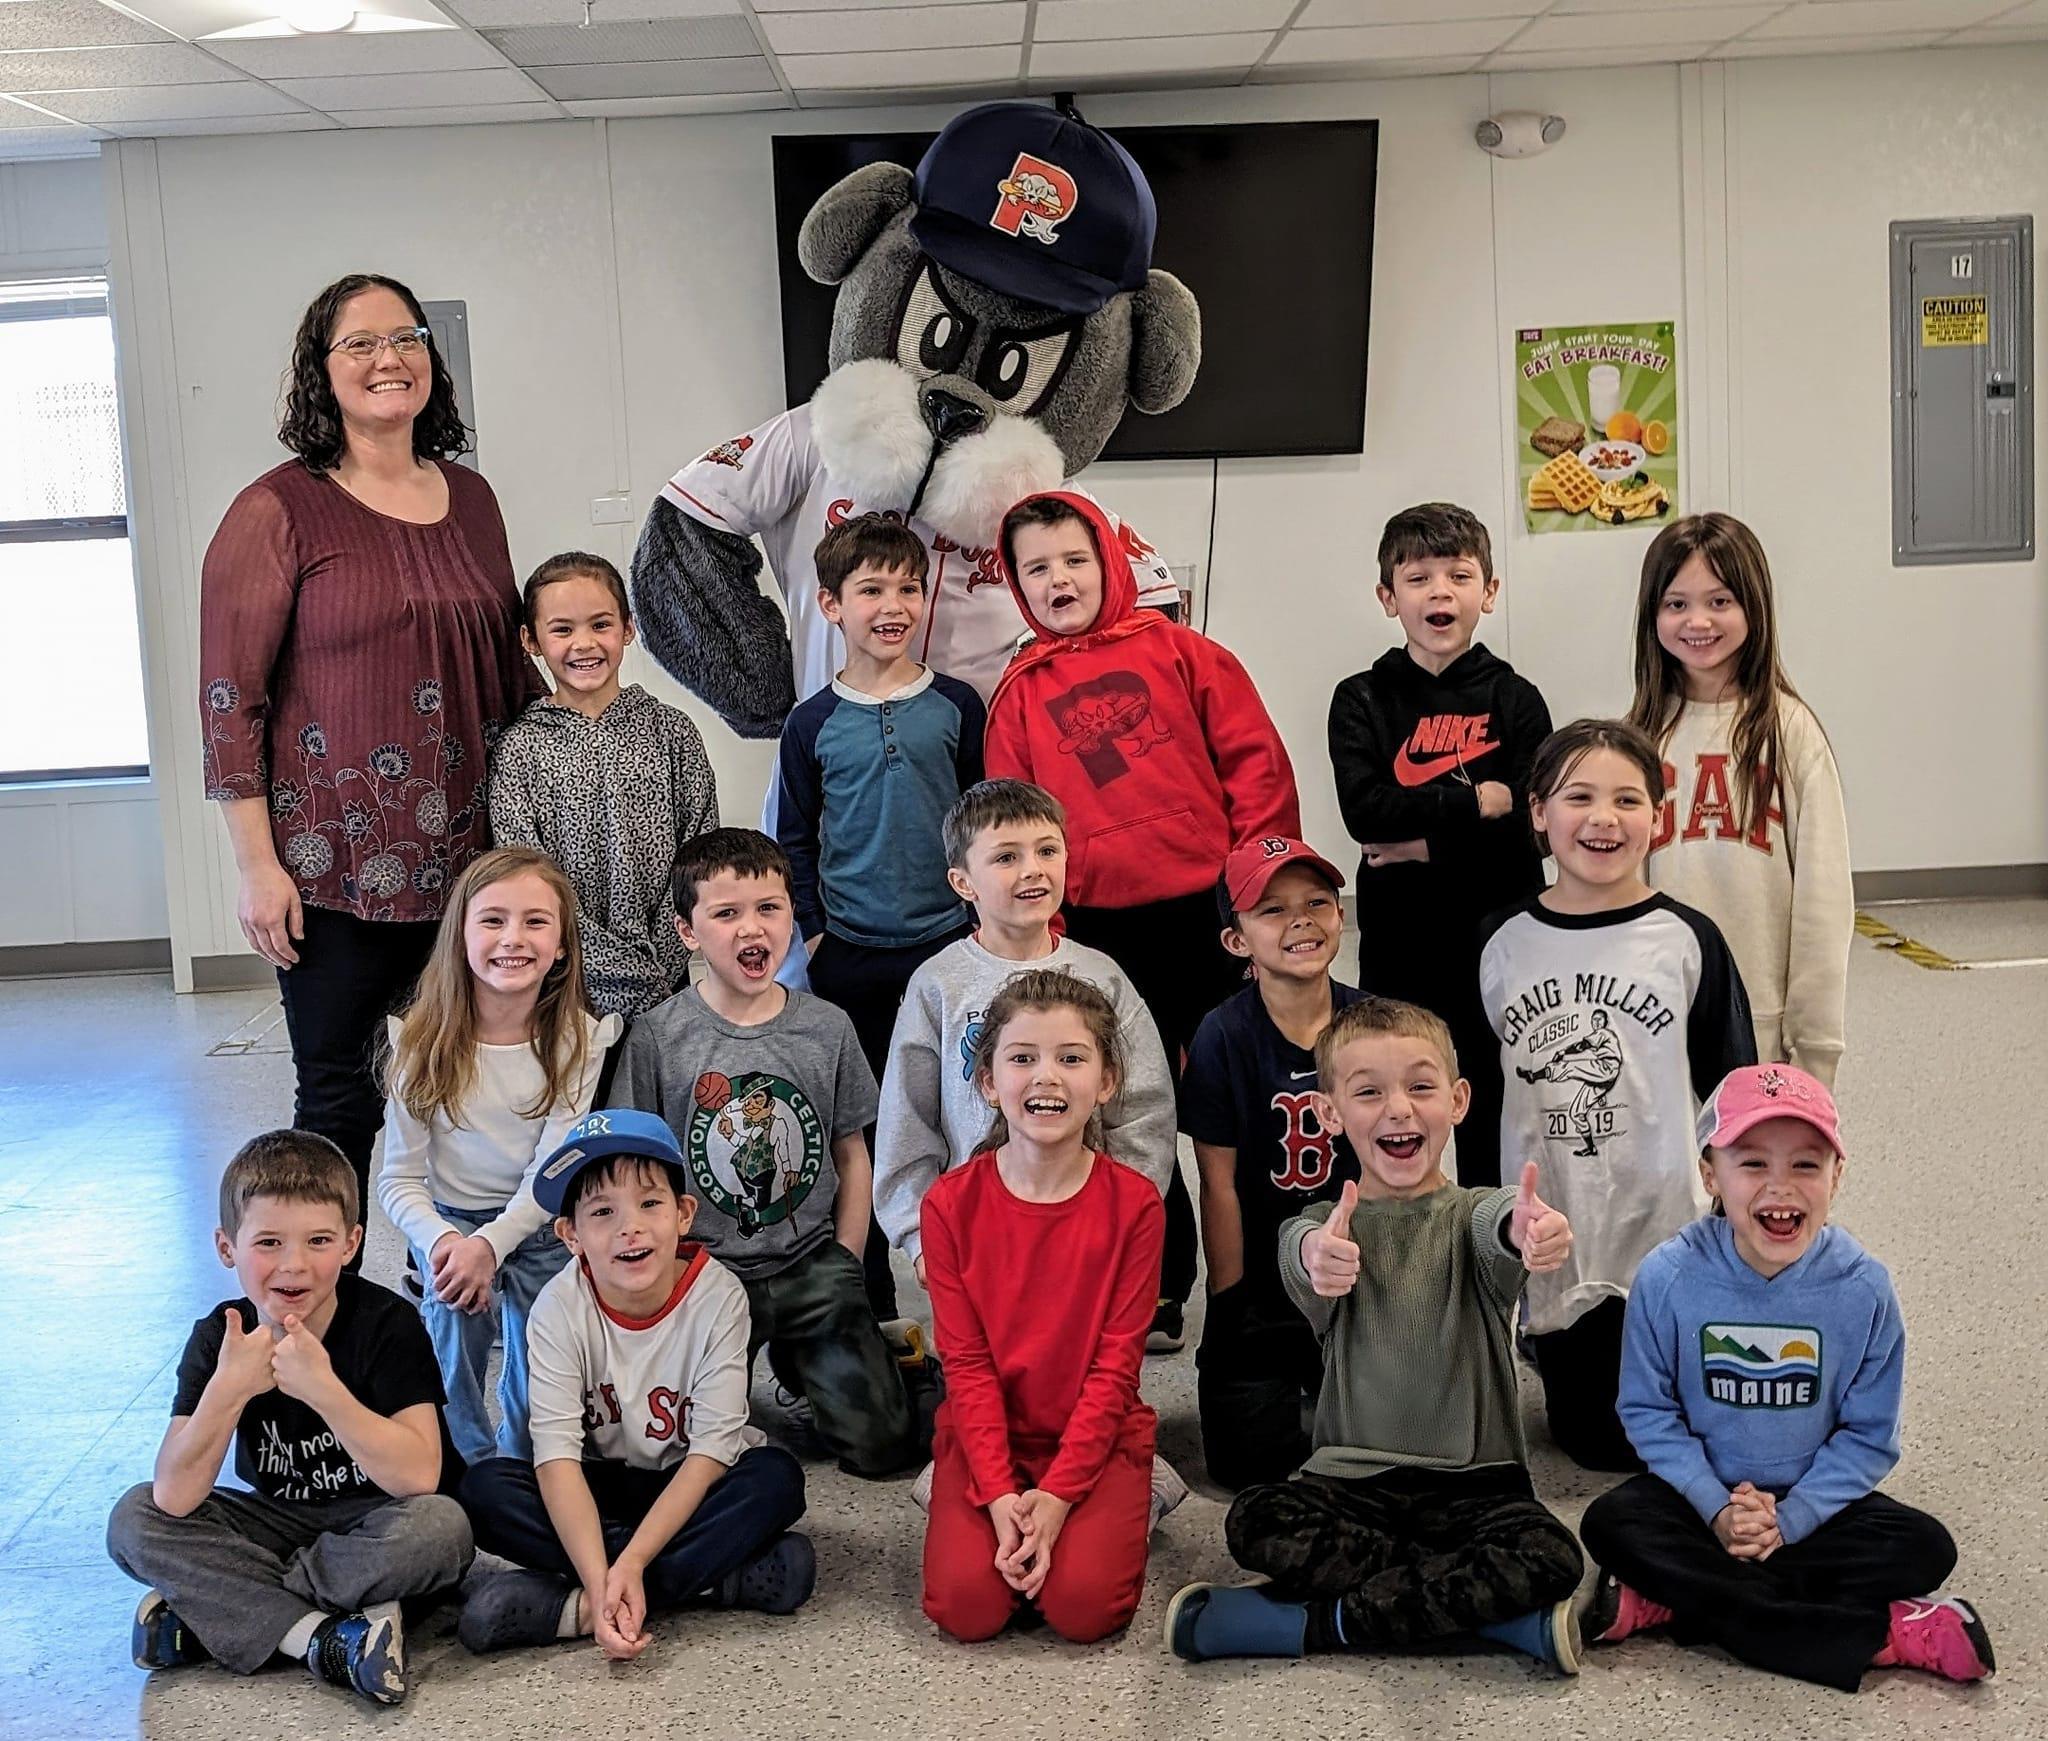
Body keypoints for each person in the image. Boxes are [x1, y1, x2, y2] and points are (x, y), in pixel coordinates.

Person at [198, 273, 540, 1242]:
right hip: (331, 873)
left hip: (470, 870)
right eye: (360, 344)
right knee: (342, 1102)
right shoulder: (276, 511)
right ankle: (326, 1323)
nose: (388, 359)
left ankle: (453, 1297)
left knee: (476, 1099)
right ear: (322, 369)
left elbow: (506, 669)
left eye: (406, 338)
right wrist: (258, 867)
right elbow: (230, 700)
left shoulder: (471, 498)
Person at [1166, 998, 1583, 1673]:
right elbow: (1302, 1248)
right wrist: (1316, 1257)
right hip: (1350, 1486)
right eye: (1368, 1091)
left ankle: (1316, 1622)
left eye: (1421, 1086)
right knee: (1254, 1519)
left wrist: (1530, 1228)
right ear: (1330, 1113)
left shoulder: (1474, 1213)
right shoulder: (1325, 1226)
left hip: (1478, 1488)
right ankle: (1483, 1616)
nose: (1398, 1108)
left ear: (1457, 1100)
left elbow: (1502, 1223)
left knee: (1552, 1554)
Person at [983, 489, 1301, 1352]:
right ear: (1014, 584)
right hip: (1098, 929)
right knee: (1121, 1109)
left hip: (1210, 913)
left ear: (1112, 563)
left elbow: (1256, 772)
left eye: (1074, 561)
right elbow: (1013, 821)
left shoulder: (1188, 655)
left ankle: (1283, 1267)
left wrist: (1260, 901)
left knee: (1247, 1092)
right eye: (1036, 568)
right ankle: (1159, 1284)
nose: (1058, 580)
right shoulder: (1016, 693)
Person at [1582, 1064, 1994, 1690]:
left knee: (1925, 1546)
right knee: (1611, 1523)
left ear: (1838, 1176)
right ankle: (1885, 1636)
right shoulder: (1667, 1277)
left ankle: (1676, 1598)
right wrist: (1718, 1509)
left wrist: (1790, 1520)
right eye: (1751, 1164)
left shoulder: (1864, 1289)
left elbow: (1868, 1436)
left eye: (1805, 1165)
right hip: (1699, 1502)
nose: (1781, 1187)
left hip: (1812, 1511)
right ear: (1709, 1174)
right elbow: (1647, 1412)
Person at [107, 1131, 472, 1706]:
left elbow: (420, 1477)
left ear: (352, 1244)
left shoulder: (387, 1324)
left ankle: (223, 1608)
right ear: (227, 1247)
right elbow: (175, 1495)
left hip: (381, 1518)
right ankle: (322, 1636)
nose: (293, 1265)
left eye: (318, 1240)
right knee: (133, 1517)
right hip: (277, 1519)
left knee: (443, 1529)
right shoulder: (218, 1336)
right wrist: (228, 1389)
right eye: (268, 1242)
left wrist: (326, 1391)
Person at [1478, 718, 1756, 1472]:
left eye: (1627, 799)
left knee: (1668, 1439)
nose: (1604, 818)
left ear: (1657, 817)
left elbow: (1735, 1087)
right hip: (1555, 1225)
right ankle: (1552, 1342)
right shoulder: (1501, 941)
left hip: (1661, 1220)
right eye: (1580, 797)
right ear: (1539, 813)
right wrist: (1489, 1219)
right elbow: (1475, 1098)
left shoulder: (1687, 937)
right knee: (1595, 1444)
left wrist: (1735, 1205)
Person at [610, 828, 924, 1477]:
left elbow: (850, 1153)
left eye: (768, 907)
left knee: (884, 1448)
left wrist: (846, 1254)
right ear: (687, 931)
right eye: (726, 913)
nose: (750, 927)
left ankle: (807, 1361)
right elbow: (635, 1172)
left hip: (812, 1264)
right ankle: (753, 1366)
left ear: (790, 912)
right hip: (702, 1272)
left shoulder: (826, 1026)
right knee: (662, 1453)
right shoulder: (659, 1036)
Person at [457, 1109, 814, 1656]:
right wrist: (608, 1575)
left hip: (691, 1482)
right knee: (484, 1491)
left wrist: (631, 1564)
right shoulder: (556, 1308)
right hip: (599, 1484)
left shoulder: (718, 1299)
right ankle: (713, 1579)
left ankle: (571, 1609)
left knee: (776, 1479)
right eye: (602, 1211)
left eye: (650, 1203)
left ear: (683, 1214)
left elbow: (712, 1453)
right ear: (570, 1235)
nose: (631, 1226)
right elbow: (555, 1458)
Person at [776, 514, 985, 1317]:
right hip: (851, 953)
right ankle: (870, 1300)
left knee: (958, 1112)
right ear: (832, 605)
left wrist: (977, 925)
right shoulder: (812, 722)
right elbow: (794, 836)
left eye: (906, 587)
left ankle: (967, 1282)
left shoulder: (958, 705)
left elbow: (981, 819)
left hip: (947, 946)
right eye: (870, 589)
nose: (891, 604)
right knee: (857, 1126)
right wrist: (817, 929)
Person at [919, 970, 1165, 1644]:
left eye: (1071, 1057)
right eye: (1022, 1057)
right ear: (989, 1083)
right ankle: (957, 1492)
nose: (1046, 1076)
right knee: (966, 1609)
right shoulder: (948, 1205)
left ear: (1106, 1081)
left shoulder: (1137, 1205)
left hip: (1094, 1435)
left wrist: (1055, 1500)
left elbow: (1117, 1371)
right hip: (986, 1437)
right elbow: (964, 1367)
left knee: (1085, 1610)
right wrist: (1000, 1495)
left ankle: (1138, 1492)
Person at [1328, 502, 1552, 1189]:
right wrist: (1476, 800)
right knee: (1398, 1101)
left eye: (1459, 575)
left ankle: (1490, 1239)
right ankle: (1400, 1243)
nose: (1440, 592)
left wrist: (1420, 846)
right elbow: (1367, 813)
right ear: (1388, 596)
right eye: (1419, 577)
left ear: (1488, 591)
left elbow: (1535, 831)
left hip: (1500, 935)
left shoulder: (1515, 699)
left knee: (1491, 1101)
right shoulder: (1361, 698)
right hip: (1403, 945)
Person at [872, 779, 1177, 1281]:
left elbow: (1143, 1110)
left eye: (1047, 850)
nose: (1032, 869)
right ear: (963, 881)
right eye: (1006, 857)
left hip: (1087, 1230)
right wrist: (920, 1237)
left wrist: (1123, 1216)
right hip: (976, 1235)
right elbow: (908, 1120)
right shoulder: (938, 986)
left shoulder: (1103, 977)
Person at [375, 847, 621, 1463]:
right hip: (451, 1224)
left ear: (562, 944)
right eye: (492, 920)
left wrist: (494, 1244)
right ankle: (464, 1467)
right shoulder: (418, 1042)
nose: (514, 938)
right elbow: (399, 1180)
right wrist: (447, 1246)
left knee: (543, 1382)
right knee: (453, 1333)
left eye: (536, 922)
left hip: (538, 1224)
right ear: (460, 936)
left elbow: (552, 1169)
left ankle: (524, 1467)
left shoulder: (578, 1040)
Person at [1628, 513, 1852, 1086]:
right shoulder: (1637, 737)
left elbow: (1824, 904)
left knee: (1755, 1174)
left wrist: (1815, 1051)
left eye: (1720, 600)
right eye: (1676, 604)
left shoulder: (1791, 733)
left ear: (1754, 606)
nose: (1697, 621)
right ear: (1651, 614)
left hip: (1763, 1027)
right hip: (1652, 1024)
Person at [1181, 836, 1364, 1492]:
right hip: (1260, 1280)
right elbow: (1218, 1183)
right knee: (1244, 1469)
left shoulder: (1371, 1021)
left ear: (1341, 916)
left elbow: (1402, 1167)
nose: (1301, 920)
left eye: (1318, 902)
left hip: (1355, 1275)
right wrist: (1231, 1306)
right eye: (1273, 909)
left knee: (1390, 1456)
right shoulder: (1222, 1034)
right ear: (1237, 940)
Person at [488, 552, 719, 1019]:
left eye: (600, 624)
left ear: (627, 629)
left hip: (665, 979)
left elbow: (701, 857)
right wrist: (596, 962)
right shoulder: (519, 750)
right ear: (530, 640)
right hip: (564, 984)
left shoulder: (673, 732)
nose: (584, 644)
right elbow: (525, 877)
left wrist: (661, 962)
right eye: (562, 629)